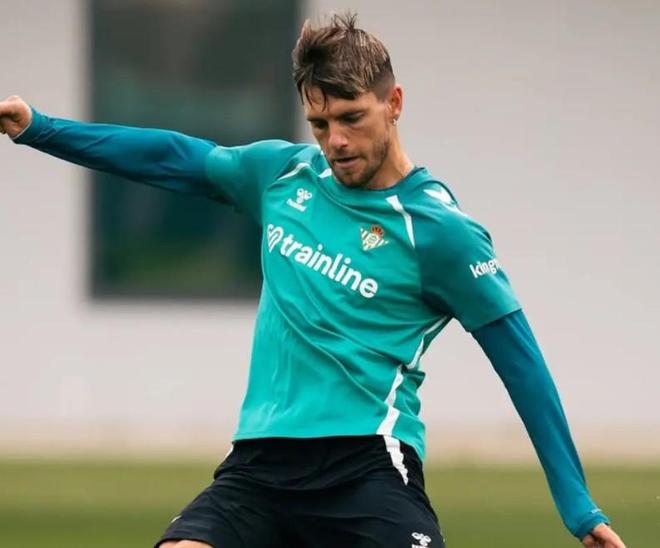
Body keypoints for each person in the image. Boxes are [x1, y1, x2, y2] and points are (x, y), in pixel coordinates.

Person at [1, 13, 626, 548]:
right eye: (321, 124)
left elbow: (522, 364)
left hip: (367, 466)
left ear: (395, 103)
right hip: (258, 467)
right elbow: (170, 155)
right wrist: (39, 127)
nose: (337, 141)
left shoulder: (441, 233)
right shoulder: (282, 178)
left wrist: (579, 509)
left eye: (352, 118)